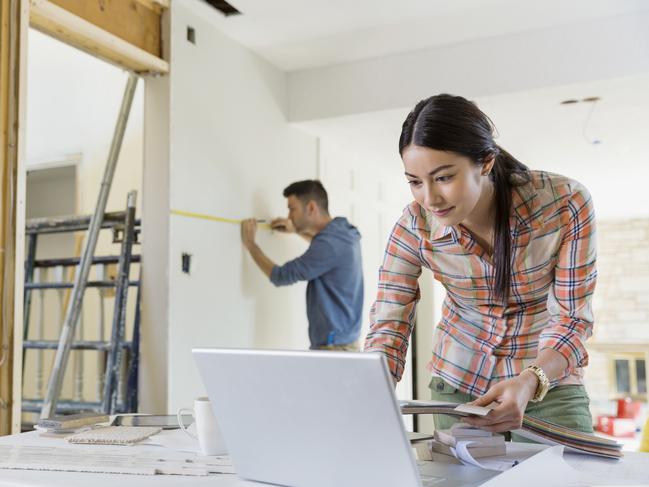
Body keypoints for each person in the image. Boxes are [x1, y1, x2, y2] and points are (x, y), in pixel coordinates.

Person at [365, 94, 596, 436]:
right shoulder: (413, 226)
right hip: (456, 388)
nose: (429, 198)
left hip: (548, 384)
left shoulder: (564, 204)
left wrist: (531, 380)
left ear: (486, 162)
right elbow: (389, 324)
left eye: (443, 177)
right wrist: (368, 392)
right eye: (415, 181)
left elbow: (572, 318)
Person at [241, 180, 364, 351]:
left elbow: (281, 276)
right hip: (343, 342)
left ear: (311, 208)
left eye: (292, 208)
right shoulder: (343, 231)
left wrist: (251, 245)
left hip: (334, 348)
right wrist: (297, 230)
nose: (289, 216)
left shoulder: (328, 244)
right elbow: (324, 250)